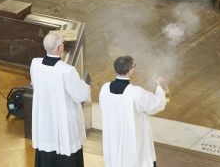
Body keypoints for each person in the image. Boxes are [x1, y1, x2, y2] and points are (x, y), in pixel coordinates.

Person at [31, 31, 91, 167]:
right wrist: (86, 86)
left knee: (47, 149)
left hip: (44, 120)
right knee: (66, 151)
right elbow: (80, 95)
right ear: (60, 48)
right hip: (63, 120)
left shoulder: (35, 64)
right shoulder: (67, 71)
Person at [99, 56, 166, 167]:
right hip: (132, 139)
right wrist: (159, 86)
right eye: (134, 66)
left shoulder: (105, 88)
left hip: (113, 136)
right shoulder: (135, 93)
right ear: (130, 71)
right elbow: (157, 104)